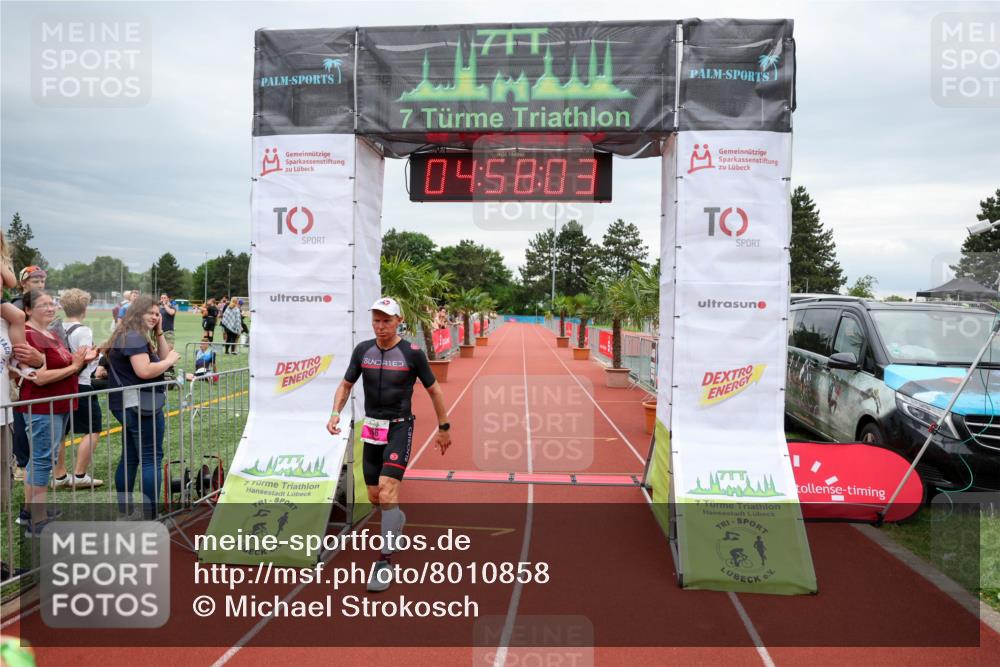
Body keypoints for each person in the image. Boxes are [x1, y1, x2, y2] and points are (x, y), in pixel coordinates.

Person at [326, 297, 451, 592]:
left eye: (386, 321)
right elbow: (346, 385)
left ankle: (384, 562)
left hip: (399, 427)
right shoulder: (363, 351)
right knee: (375, 497)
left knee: (387, 490)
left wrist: (444, 427)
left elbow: (434, 391)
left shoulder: (412, 354)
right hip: (372, 428)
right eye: (376, 321)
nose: (380, 326)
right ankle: (397, 518)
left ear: (399, 321)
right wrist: (334, 412)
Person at [17, 289, 97, 534]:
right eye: (43, 305)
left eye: (52, 304)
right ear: (28, 310)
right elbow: (39, 378)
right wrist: (75, 366)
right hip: (43, 406)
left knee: (41, 460)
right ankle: (37, 521)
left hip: (57, 405)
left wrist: (81, 360)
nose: (50, 308)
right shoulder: (28, 335)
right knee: (42, 462)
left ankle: (29, 512)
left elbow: (63, 362)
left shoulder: (50, 333)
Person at [103, 294, 180, 520]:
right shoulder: (134, 337)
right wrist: (169, 362)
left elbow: (161, 356)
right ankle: (151, 517)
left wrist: (159, 332)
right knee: (150, 459)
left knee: (130, 457)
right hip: (140, 406)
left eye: (157, 314)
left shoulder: (131, 334)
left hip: (129, 404)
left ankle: (126, 512)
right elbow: (145, 370)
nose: (155, 317)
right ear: (138, 313)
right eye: (151, 313)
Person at [50, 288, 104, 489]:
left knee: (61, 432)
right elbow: (82, 358)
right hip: (80, 384)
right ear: (84, 308)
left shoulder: (55, 327)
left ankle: (59, 475)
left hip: (60, 384)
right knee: (93, 429)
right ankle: (80, 474)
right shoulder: (83, 331)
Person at [159, 293, 178, 380]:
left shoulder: (172, 307)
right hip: (160, 333)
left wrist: (165, 305)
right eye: (161, 297)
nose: (163, 299)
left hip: (169, 333)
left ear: (168, 299)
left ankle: (170, 371)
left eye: (164, 298)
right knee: (160, 352)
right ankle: (162, 371)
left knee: (169, 351)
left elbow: (171, 313)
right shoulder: (159, 308)